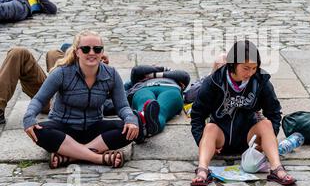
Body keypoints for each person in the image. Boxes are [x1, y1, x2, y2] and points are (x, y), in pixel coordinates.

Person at [23, 31, 139, 169]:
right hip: (63, 129)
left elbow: (122, 106)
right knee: (39, 131)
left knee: (129, 129)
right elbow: (39, 100)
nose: (91, 53)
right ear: (77, 52)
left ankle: (70, 156)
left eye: (97, 49)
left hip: (94, 129)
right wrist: (29, 118)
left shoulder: (111, 74)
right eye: (85, 49)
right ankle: (99, 158)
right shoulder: (62, 73)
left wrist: (131, 120)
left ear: (102, 52)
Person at [190, 40, 296, 186]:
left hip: (249, 137)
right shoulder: (213, 81)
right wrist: (201, 141)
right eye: (246, 68)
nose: (250, 73)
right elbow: (197, 115)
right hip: (221, 137)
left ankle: (276, 169)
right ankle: (202, 170)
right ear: (233, 64)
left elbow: (274, 113)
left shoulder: (260, 81)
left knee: (266, 124)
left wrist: (263, 144)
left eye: (254, 68)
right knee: (209, 128)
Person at [125, 65, 190, 143]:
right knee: (144, 103)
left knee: (161, 108)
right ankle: (146, 126)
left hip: (170, 89)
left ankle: (143, 128)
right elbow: (136, 70)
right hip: (143, 89)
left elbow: (184, 75)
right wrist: (163, 71)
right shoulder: (133, 80)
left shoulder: (143, 77)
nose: (156, 66)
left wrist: (152, 75)